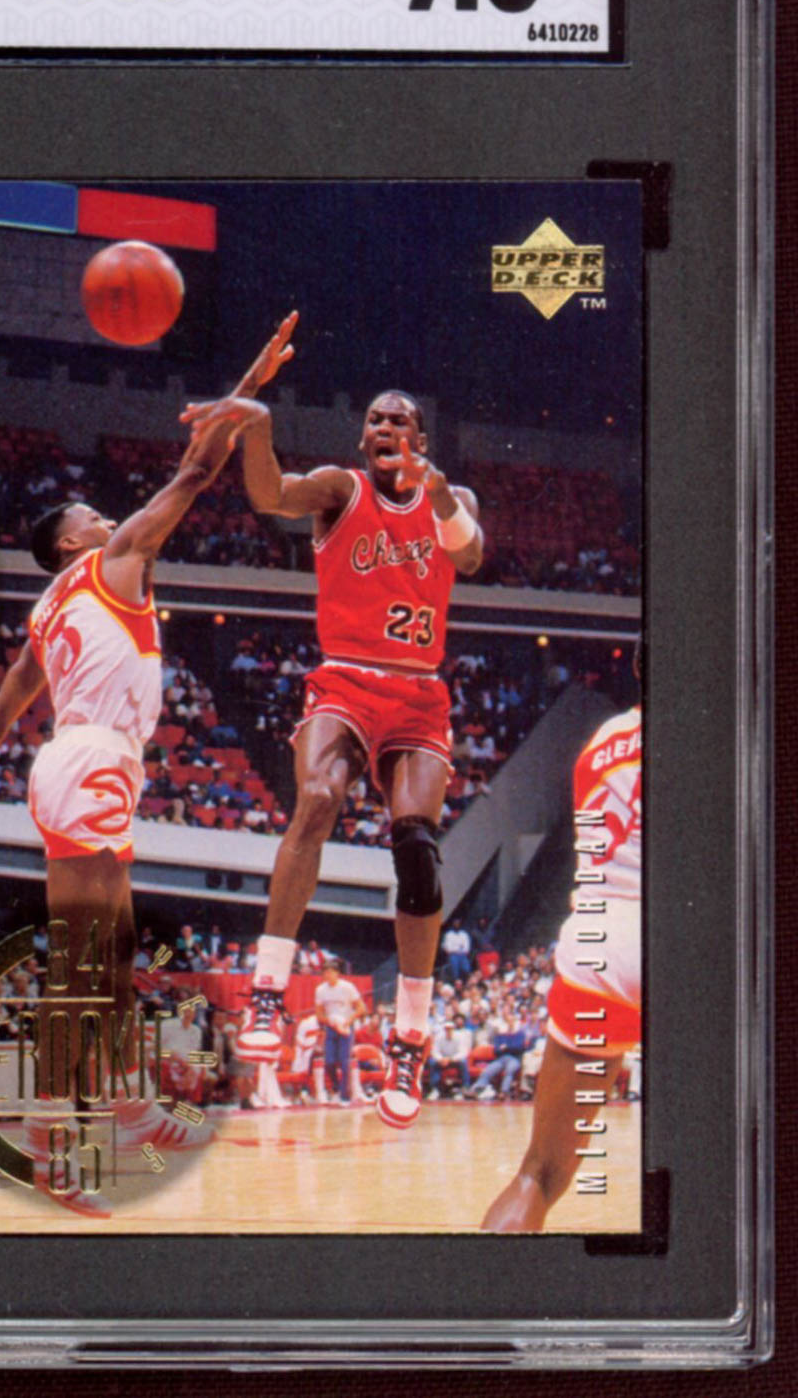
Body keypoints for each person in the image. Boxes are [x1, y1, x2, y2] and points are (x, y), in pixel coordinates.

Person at [0, 385, 269, 1211]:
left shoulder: (45, 614)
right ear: (73, 541)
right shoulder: (111, 564)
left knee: (112, 958)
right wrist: (243, 396)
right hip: (90, 762)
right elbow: (193, 474)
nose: (110, 518)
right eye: (94, 516)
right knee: (83, 967)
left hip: (90, 767)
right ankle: (47, 1142)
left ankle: (128, 1107)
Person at [182, 316, 484, 1128]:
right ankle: (268, 989)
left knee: (415, 849)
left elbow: (469, 554)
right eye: (374, 420)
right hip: (344, 682)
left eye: (398, 420)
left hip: (417, 695)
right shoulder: (338, 490)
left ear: (419, 437)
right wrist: (257, 426)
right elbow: (267, 496)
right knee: (316, 799)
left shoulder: (449, 500)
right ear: (363, 439)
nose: (384, 427)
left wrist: (436, 487)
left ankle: (410, 1037)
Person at [481, 660, 641, 1230]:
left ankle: (475, 1288)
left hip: (600, 943)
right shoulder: (720, 728)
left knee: (538, 1174)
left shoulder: (601, 741)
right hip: (687, 930)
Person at [314, 961, 365, 1103]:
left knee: (344, 1061)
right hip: (331, 1027)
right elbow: (319, 1014)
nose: (327, 975)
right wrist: (329, 1021)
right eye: (325, 973)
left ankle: (344, 1095)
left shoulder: (347, 987)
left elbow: (361, 1008)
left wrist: (348, 1021)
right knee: (329, 1061)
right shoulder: (320, 990)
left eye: (330, 972)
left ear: (337, 973)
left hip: (346, 1026)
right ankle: (335, 1089)